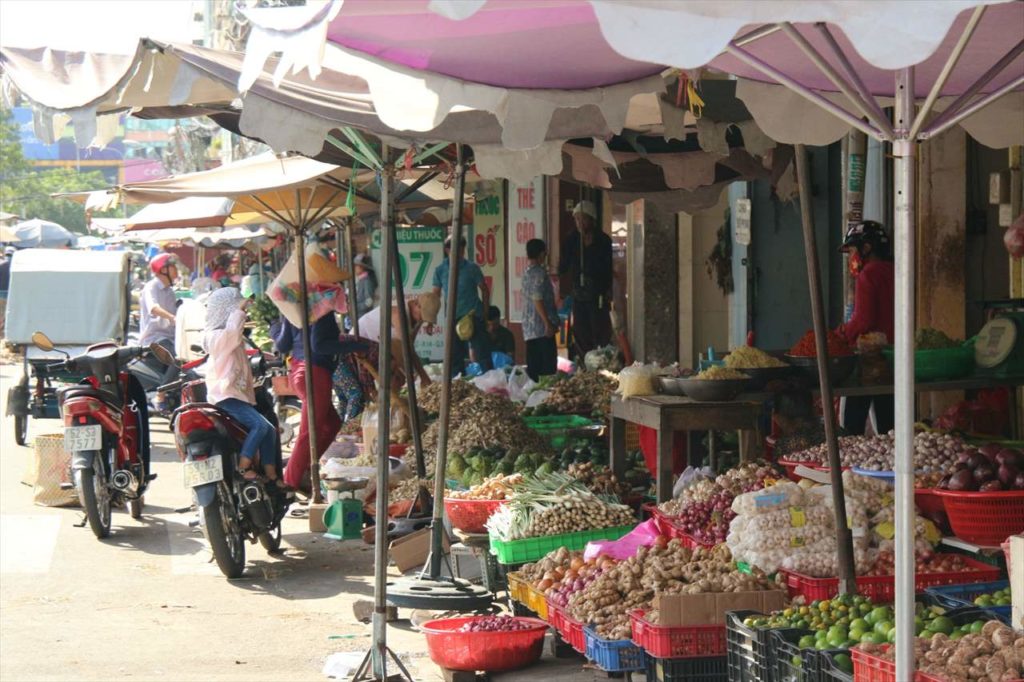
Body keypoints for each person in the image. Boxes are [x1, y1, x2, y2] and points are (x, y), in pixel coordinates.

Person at [272, 305, 368, 492]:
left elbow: (283, 344)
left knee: (331, 424)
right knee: (309, 432)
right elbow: (320, 346)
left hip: (298, 372)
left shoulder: (292, 308)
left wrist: (276, 329)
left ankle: (306, 467)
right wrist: (359, 346)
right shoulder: (321, 310)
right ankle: (290, 480)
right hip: (314, 374)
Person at [203, 287, 283, 486]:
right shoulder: (216, 336)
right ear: (226, 310)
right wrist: (238, 310)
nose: (244, 312)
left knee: (270, 430)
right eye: (237, 307)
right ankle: (243, 467)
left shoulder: (229, 337)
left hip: (235, 395)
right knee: (260, 426)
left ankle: (271, 475)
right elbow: (232, 334)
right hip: (225, 396)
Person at [836, 220, 895, 436]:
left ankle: (847, 467)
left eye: (852, 250)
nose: (851, 258)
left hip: (869, 361)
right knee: (889, 426)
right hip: (895, 359)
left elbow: (864, 321)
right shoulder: (896, 271)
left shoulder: (868, 274)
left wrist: (841, 335)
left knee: (850, 427)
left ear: (866, 248)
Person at [558, 199, 613, 358]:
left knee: (600, 330)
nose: (579, 222)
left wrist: (607, 290)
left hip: (598, 295)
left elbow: (607, 268)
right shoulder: (571, 240)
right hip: (579, 295)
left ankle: (601, 361)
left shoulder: (603, 240)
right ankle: (584, 362)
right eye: (576, 219)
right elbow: (564, 266)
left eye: (583, 218)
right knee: (581, 332)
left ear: (592, 219)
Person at [432, 235, 490, 376]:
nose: (460, 253)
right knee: (454, 357)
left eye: (462, 249)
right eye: (456, 250)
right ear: (447, 250)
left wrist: (485, 313)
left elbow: (484, 289)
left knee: (482, 355)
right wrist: (429, 320)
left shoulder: (472, 268)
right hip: (453, 318)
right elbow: (435, 296)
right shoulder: (440, 270)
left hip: (473, 315)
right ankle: (457, 384)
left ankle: (491, 383)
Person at [357, 292, 438, 387]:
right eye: (423, 316)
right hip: (360, 345)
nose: (423, 320)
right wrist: (423, 376)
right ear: (416, 304)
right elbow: (407, 348)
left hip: (378, 346)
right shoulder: (399, 315)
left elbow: (410, 343)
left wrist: (429, 323)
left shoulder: (417, 315)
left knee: (399, 377)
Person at [139, 253, 180, 408]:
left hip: (170, 337)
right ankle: (160, 395)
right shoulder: (152, 286)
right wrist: (172, 317)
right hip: (154, 338)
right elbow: (153, 308)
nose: (176, 270)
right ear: (163, 269)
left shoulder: (169, 291)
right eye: (173, 266)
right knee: (178, 357)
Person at [521, 238, 561, 381]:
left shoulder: (526, 273)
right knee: (547, 370)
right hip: (542, 330)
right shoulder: (540, 274)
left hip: (529, 330)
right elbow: (537, 300)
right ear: (541, 254)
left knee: (533, 370)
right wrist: (547, 323)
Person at [0, 247, 13, 338]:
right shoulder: (15, 266)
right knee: (6, 313)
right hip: (10, 293)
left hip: (1, 292)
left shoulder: (1, 264)